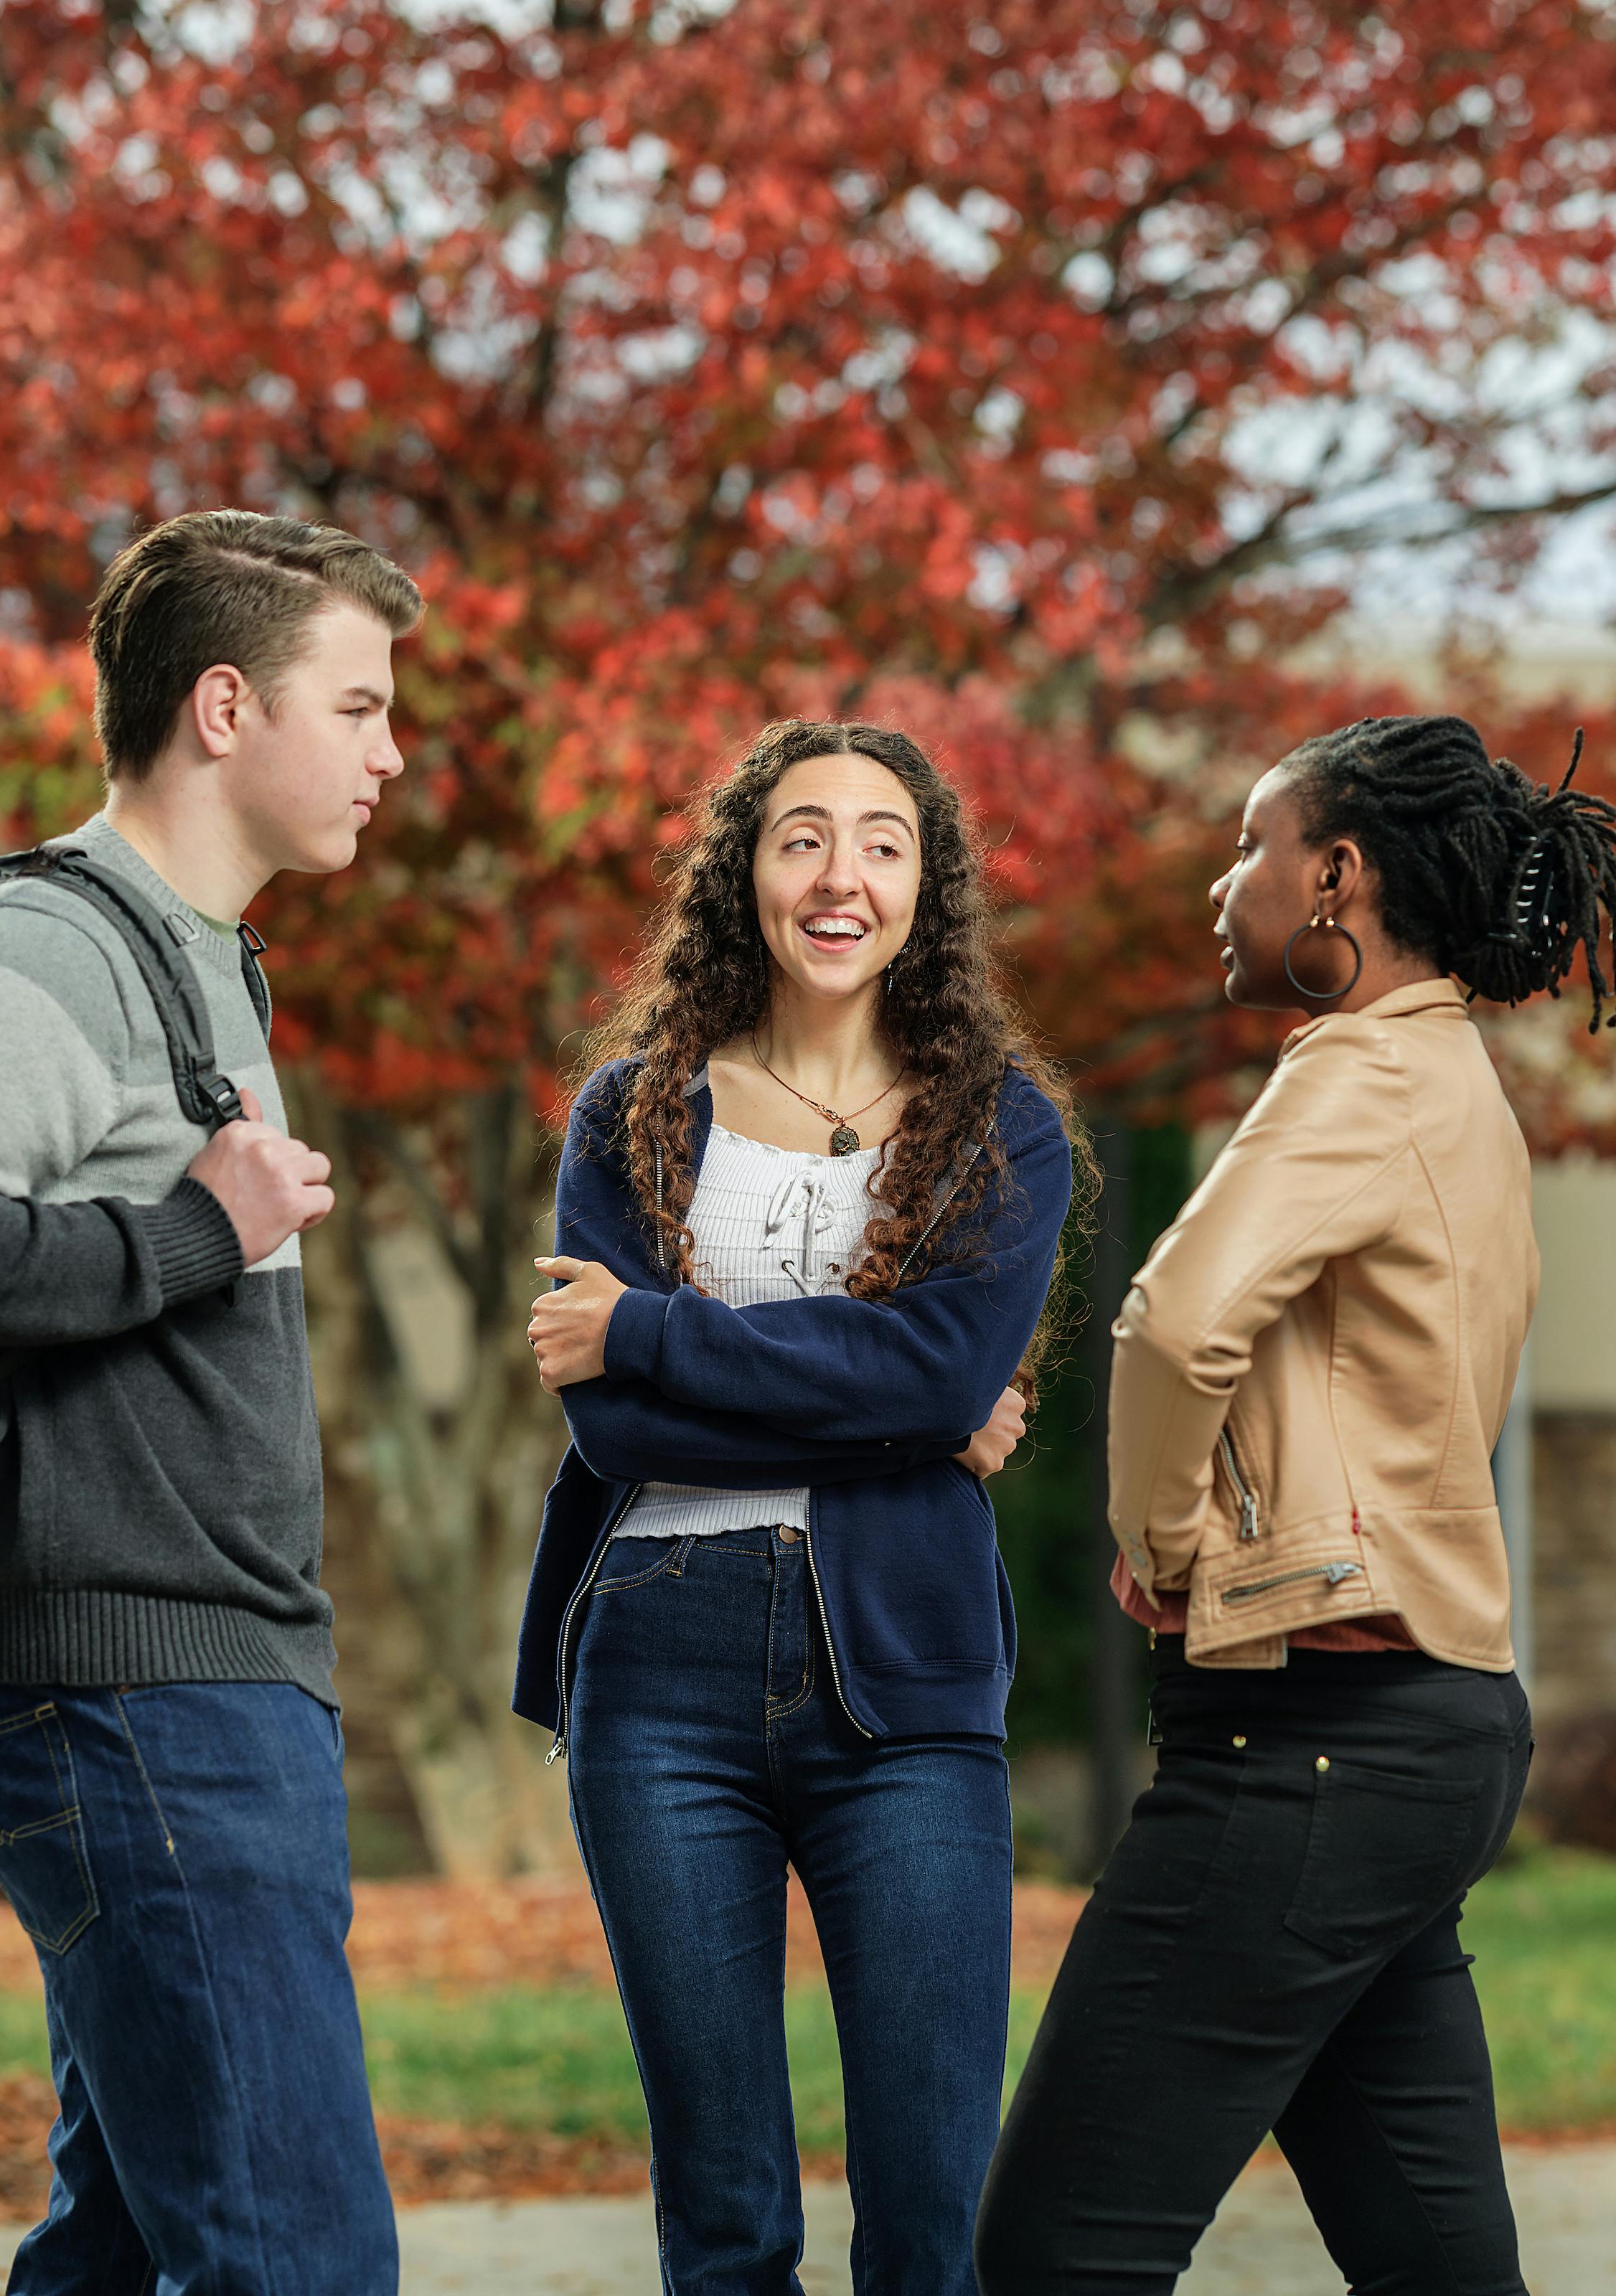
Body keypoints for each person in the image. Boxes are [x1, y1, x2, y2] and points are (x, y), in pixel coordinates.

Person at [0, 510, 419, 2295]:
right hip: (136, 1690)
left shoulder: (202, 956)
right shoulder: (52, 949)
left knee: (128, 2247)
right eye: (360, 706)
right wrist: (187, 1235)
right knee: (293, 2257)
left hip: (203, 1682)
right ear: (225, 708)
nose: (391, 753)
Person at [975, 713, 1616, 2295]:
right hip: (1430, 1730)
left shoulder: (1358, 1072)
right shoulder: (1459, 1087)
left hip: (1311, 1740)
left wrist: (1167, 1547)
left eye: (1250, 849)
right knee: (1436, 2265)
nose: (1227, 887)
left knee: (1057, 2255)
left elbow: (1174, 1318)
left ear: (1337, 872)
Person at [516, 718, 1078, 2296]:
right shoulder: (632, 1108)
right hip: (653, 1673)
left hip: (902, 1676)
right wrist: (902, 1411)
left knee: (927, 2218)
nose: (845, 873)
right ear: (745, 875)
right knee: (726, 2217)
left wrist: (651, 1323)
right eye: (804, 835)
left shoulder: (1000, 1124)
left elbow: (942, 1362)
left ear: (927, 890)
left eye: (885, 842)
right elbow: (616, 1418)